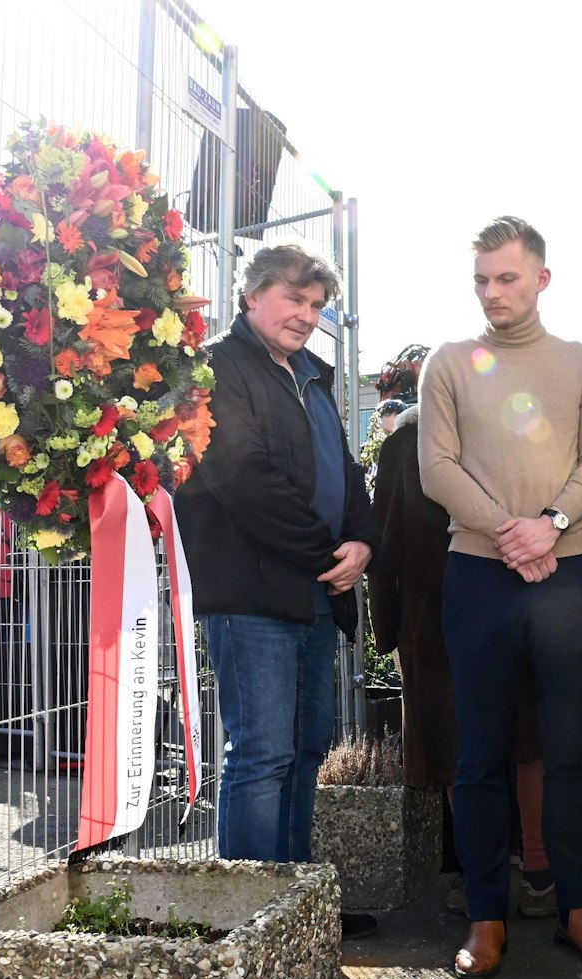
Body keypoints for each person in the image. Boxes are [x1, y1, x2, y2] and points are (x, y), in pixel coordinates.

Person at [419, 216, 582, 979]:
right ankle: (486, 914)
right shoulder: (445, 363)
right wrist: (512, 532)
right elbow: (435, 468)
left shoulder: (579, 363)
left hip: (566, 572)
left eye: (506, 277)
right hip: (478, 573)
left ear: (541, 278)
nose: (491, 292)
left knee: (570, 746)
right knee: (479, 754)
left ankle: (577, 907)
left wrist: (552, 527)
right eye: (481, 279)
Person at [178, 242, 379, 941]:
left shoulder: (314, 377)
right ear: (252, 293)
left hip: (317, 591)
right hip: (252, 594)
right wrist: (331, 551)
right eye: (295, 298)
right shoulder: (213, 368)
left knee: (304, 747)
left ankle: (293, 909)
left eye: (317, 305)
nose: (307, 315)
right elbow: (241, 477)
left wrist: (364, 541)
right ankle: (247, 921)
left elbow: (348, 473)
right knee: (262, 752)